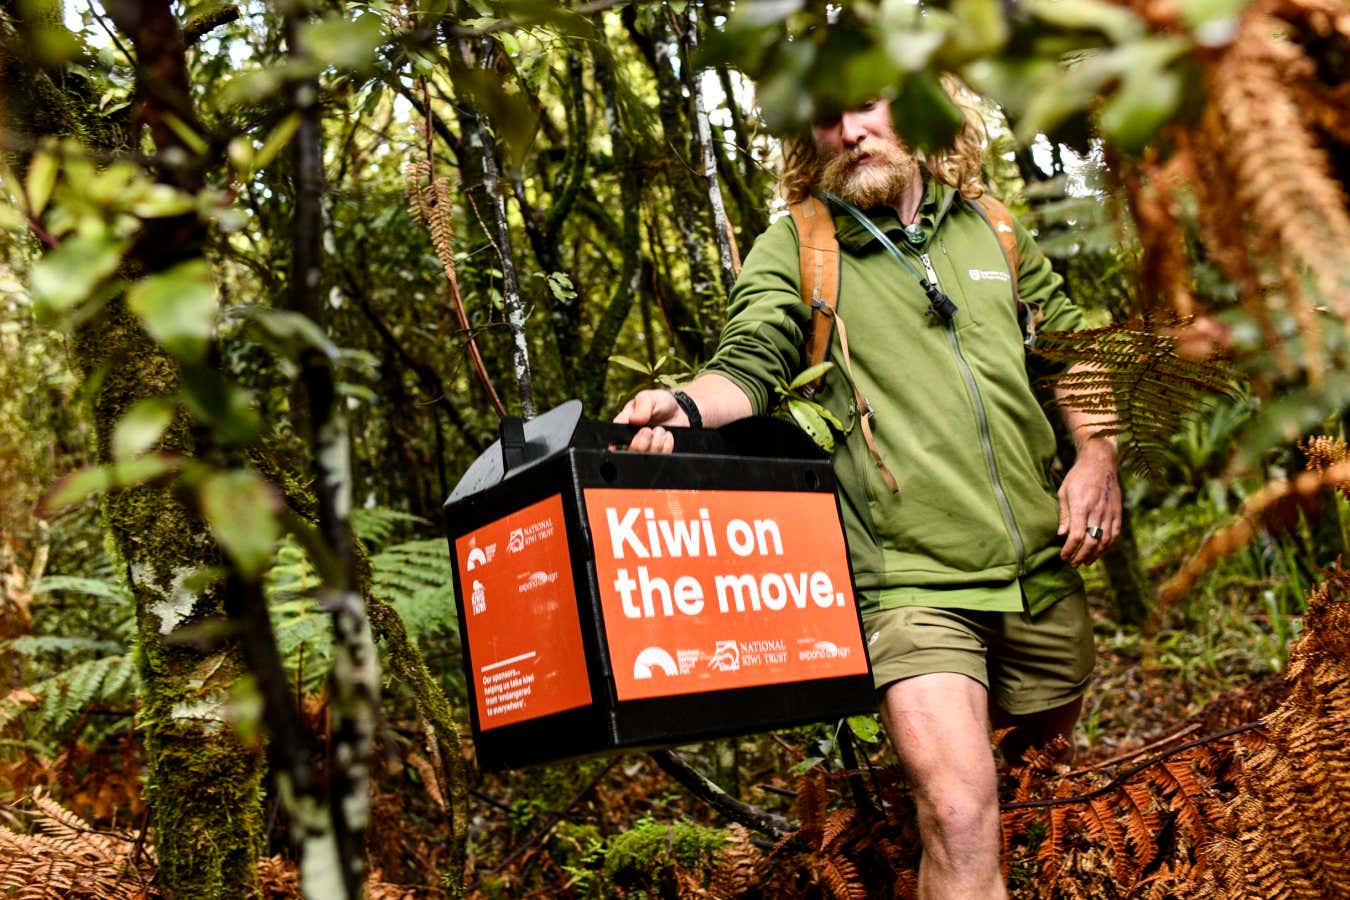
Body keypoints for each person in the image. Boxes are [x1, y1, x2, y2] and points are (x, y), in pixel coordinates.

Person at [616, 93, 1121, 898]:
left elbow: (1070, 349)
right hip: (908, 586)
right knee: (959, 814)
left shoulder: (992, 228)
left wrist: (1097, 451)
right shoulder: (800, 246)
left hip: (1040, 569)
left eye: (866, 108)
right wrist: (680, 406)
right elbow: (748, 363)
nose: (849, 133)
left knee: (1033, 799)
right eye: (826, 119)